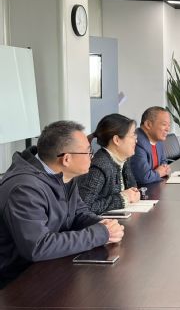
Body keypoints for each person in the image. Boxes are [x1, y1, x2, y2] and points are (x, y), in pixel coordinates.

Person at [0, 121, 125, 288]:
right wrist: (100, 234)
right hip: (16, 281)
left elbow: (78, 213)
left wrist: (103, 225)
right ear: (66, 159)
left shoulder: (62, 175)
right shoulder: (24, 188)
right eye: (88, 151)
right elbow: (38, 246)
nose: (92, 156)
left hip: (48, 266)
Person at [78, 114, 141, 215]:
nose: (136, 140)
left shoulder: (123, 159)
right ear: (116, 140)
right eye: (132, 136)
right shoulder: (99, 166)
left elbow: (131, 189)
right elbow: (85, 207)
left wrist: (133, 194)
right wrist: (122, 198)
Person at [130, 106, 171, 185]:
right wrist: (159, 173)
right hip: (141, 189)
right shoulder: (136, 141)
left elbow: (164, 162)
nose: (167, 129)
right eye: (164, 124)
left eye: (169, 125)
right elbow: (145, 177)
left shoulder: (158, 140)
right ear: (148, 124)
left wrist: (164, 169)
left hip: (155, 185)